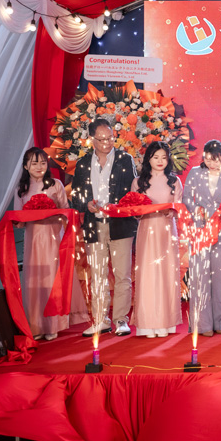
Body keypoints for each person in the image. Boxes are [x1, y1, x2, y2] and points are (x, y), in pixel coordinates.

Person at [70, 118, 137, 337]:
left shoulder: (125, 159)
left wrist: (119, 205)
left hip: (120, 224)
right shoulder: (83, 163)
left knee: (122, 274)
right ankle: (101, 319)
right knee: (97, 275)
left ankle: (120, 319)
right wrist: (86, 204)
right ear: (92, 140)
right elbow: (76, 196)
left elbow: (133, 192)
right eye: (101, 139)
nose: (107, 143)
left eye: (110, 138)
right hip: (94, 224)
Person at [182, 140, 221, 337]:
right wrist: (197, 209)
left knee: (220, 277)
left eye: (216, 160)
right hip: (200, 230)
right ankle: (202, 324)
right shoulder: (195, 173)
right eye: (207, 159)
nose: (212, 163)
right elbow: (186, 198)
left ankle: (219, 321)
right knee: (200, 277)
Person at [13, 148, 70, 340]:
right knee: (34, 281)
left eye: (43, 163)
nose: (39, 167)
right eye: (34, 163)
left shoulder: (56, 185)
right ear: (25, 166)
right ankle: (36, 325)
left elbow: (65, 212)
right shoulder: (21, 189)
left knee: (52, 280)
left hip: (53, 238)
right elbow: (19, 221)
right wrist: (21, 218)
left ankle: (53, 325)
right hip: (33, 241)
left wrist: (51, 213)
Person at [131, 141, 183, 337]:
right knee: (147, 274)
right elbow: (134, 210)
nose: (160, 161)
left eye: (164, 157)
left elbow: (178, 207)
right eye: (156, 157)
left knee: (166, 274)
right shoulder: (138, 182)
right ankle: (146, 324)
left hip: (167, 231)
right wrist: (139, 212)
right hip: (146, 231)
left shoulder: (174, 181)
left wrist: (172, 212)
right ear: (149, 159)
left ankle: (166, 322)